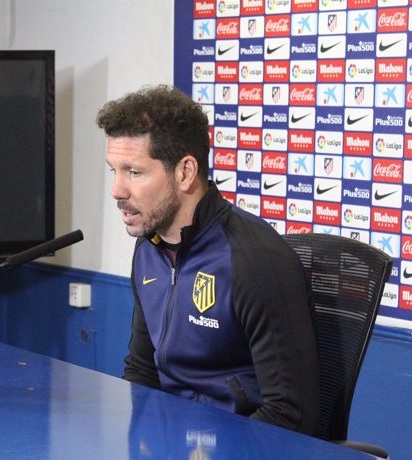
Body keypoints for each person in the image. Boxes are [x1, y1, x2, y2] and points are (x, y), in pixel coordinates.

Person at [96, 85, 319, 435]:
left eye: (134, 172)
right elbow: (142, 372)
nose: (117, 190)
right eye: (114, 170)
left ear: (185, 172)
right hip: (170, 441)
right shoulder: (149, 248)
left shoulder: (254, 260)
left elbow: (290, 414)